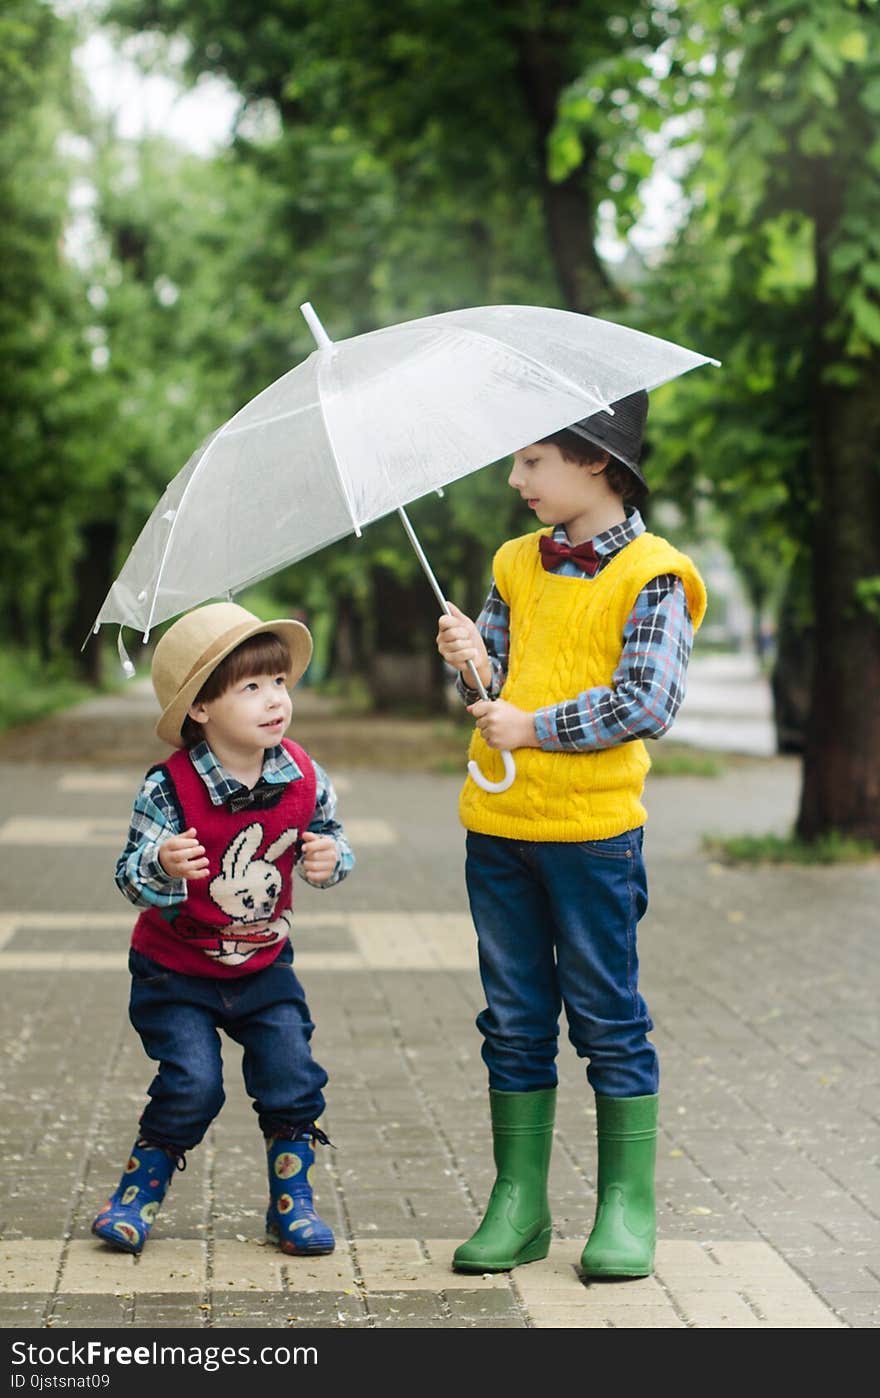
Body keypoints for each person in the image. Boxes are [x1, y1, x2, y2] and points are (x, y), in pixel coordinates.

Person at [436, 390, 707, 1279]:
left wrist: (534, 725)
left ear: (594, 459)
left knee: (606, 1019)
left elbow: (648, 703)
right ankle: (519, 1206)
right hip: (500, 828)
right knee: (513, 1022)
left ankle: (627, 1207)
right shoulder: (516, 561)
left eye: (532, 461)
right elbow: (496, 693)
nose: (515, 480)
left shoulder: (656, 575)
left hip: (592, 837)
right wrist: (471, 660)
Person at [91, 601, 353, 1258]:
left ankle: (291, 1205)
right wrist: (162, 862)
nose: (275, 700)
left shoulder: (303, 774)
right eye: (251, 687)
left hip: (264, 968)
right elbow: (129, 876)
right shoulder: (168, 788)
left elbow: (331, 840)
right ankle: (136, 1195)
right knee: (193, 1083)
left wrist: (329, 859)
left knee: (293, 1075)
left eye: (280, 684)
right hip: (174, 970)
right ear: (201, 709)